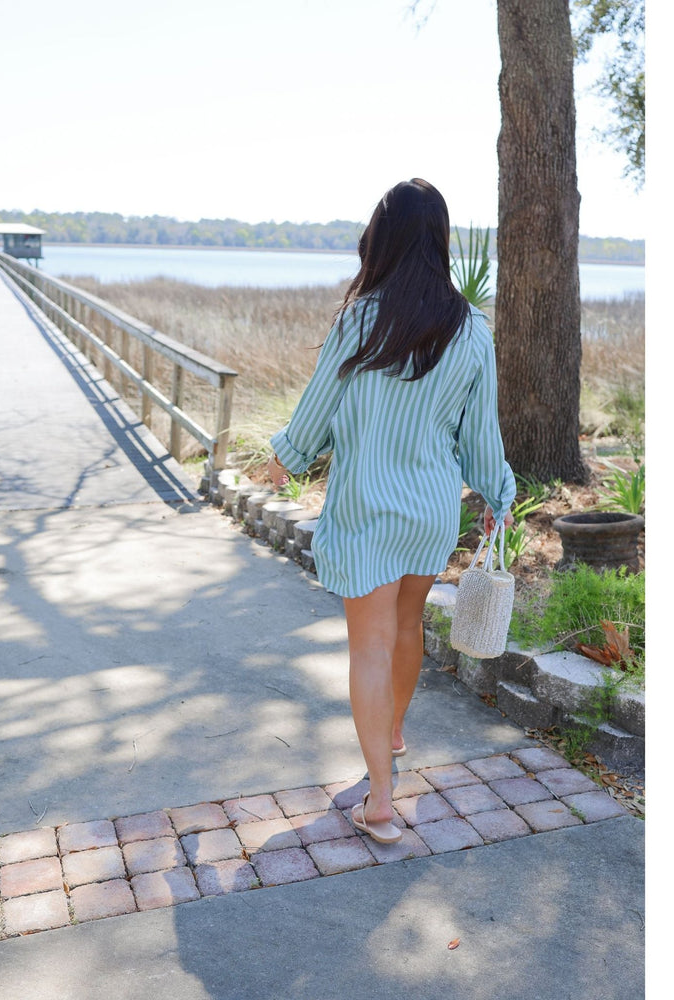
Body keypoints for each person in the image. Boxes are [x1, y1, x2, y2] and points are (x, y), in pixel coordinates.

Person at [267, 179, 515, 844]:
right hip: (430, 509)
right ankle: (392, 732)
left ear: (381, 239)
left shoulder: (358, 319)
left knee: (370, 645)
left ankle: (380, 800)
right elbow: (480, 436)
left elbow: (314, 417)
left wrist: (285, 458)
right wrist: (498, 494)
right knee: (407, 628)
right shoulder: (471, 330)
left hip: (365, 507)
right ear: (439, 241)